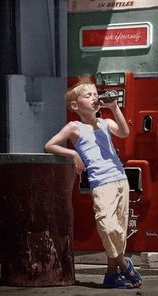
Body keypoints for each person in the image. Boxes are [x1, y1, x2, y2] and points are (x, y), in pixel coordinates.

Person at [44, 75, 142, 289]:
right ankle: (125, 265)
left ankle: (111, 275)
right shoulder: (74, 127)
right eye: (88, 95)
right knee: (107, 225)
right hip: (101, 182)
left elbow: (124, 132)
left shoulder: (105, 123)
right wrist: (72, 153)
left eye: (96, 94)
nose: (94, 98)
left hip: (120, 179)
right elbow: (50, 145)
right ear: (75, 105)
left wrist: (115, 108)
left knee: (120, 226)